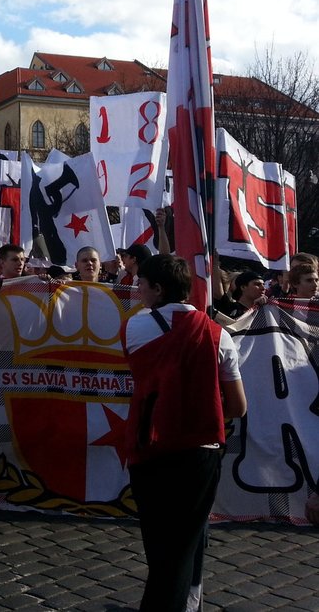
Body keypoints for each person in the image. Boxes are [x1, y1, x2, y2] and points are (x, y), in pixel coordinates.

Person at [122, 254, 247, 611]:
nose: (138, 290)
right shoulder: (219, 335)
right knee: (184, 544)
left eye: (141, 283)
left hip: (149, 446)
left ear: (158, 289)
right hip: (199, 450)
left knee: (160, 545)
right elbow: (238, 407)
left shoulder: (132, 328)